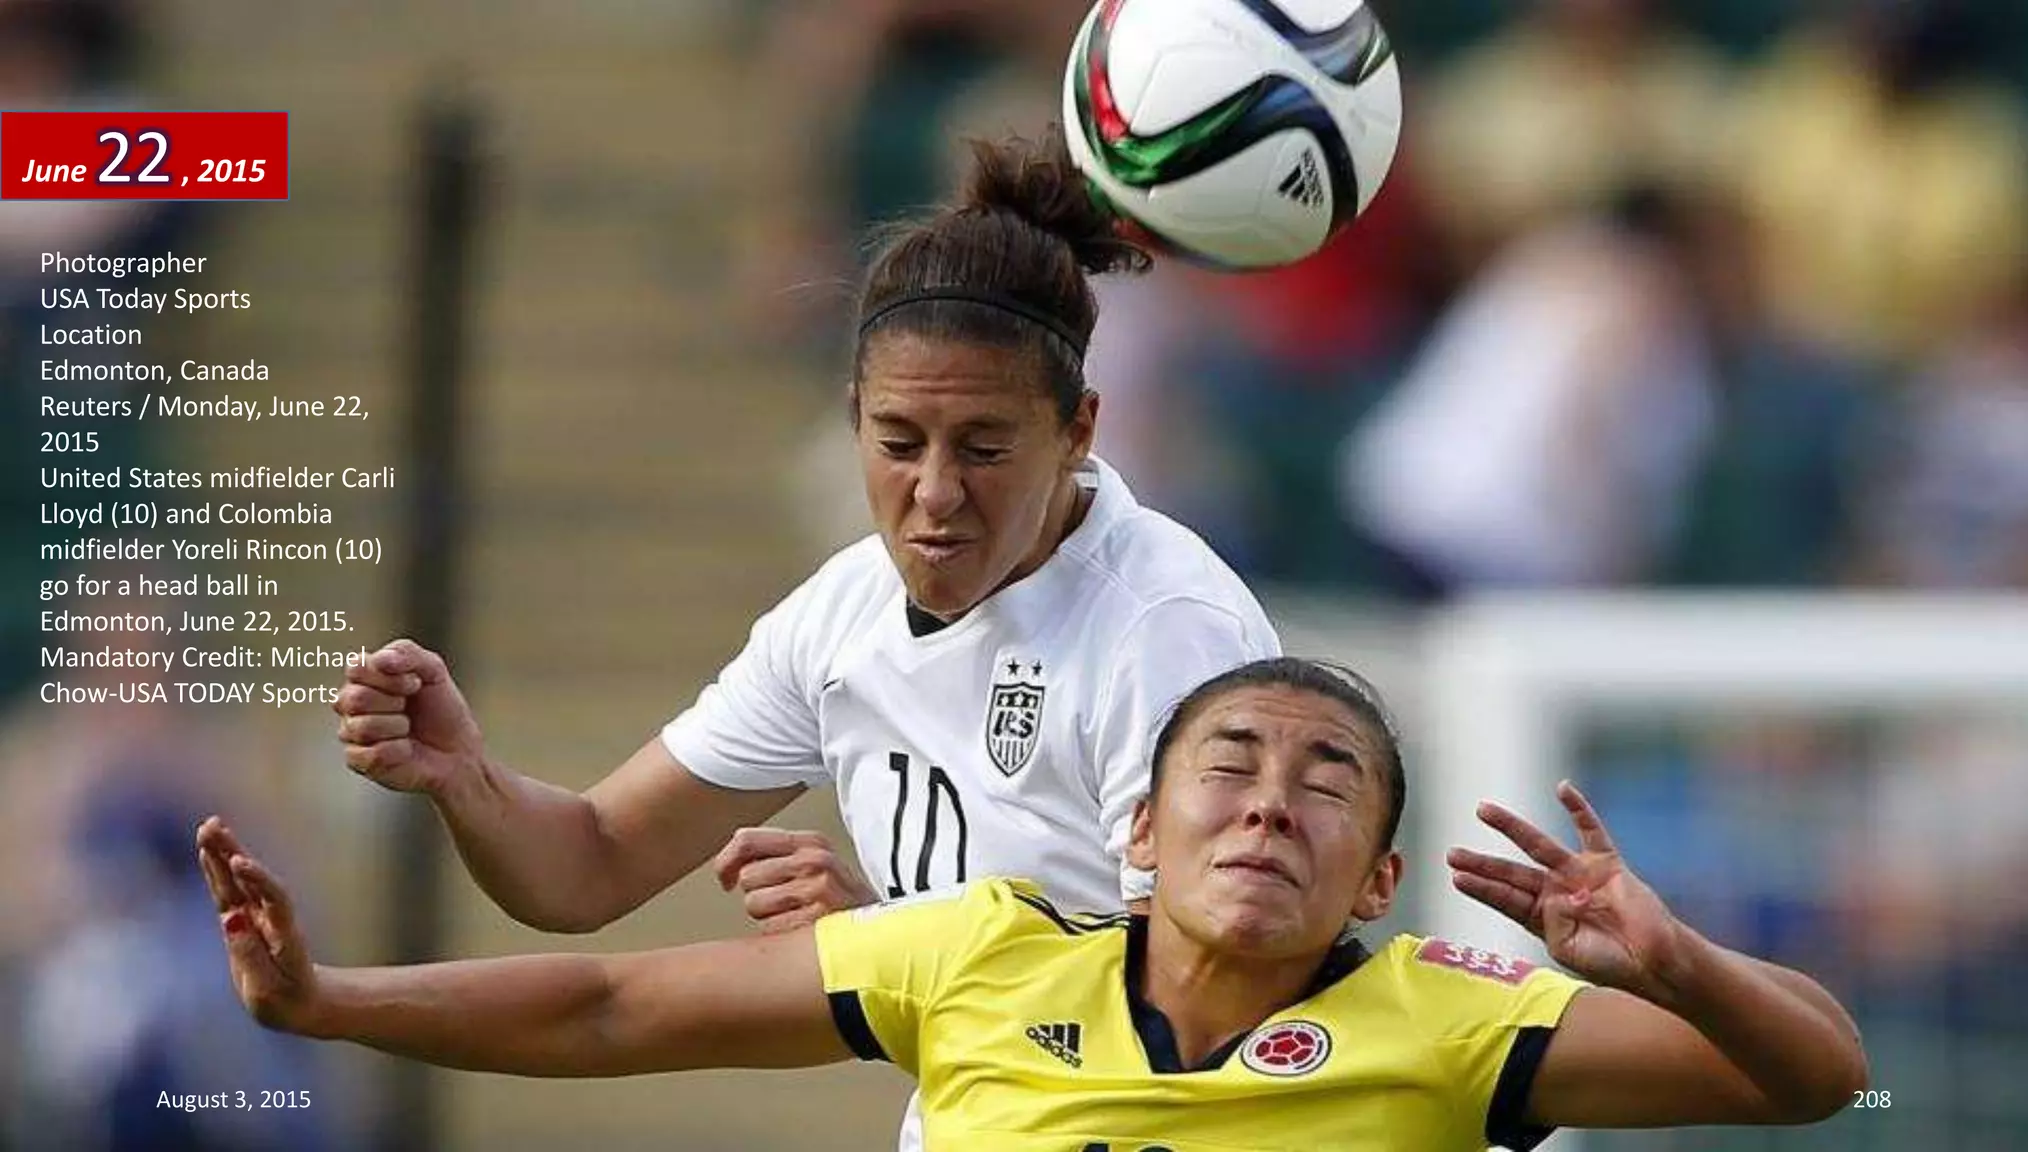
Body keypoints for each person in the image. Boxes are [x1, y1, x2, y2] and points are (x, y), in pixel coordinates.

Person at [211, 657, 1869, 1150]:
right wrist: (326, 1000)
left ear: (1375, 876)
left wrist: (1677, 963)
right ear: (1134, 829)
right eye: (1229, 766)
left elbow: (1805, 1074)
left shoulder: (1451, 1015)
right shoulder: (981, 949)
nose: (1270, 800)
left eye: (1325, 781)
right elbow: (612, 1000)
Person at [334, 134, 1277, 926]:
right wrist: (467, 779)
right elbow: (589, 862)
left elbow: (1207, 993)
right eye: (898, 443)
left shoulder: (1165, 630)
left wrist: (891, 941)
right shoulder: (843, 615)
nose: (936, 493)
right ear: (853, 420)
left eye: (985, 450)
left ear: (1079, 431)